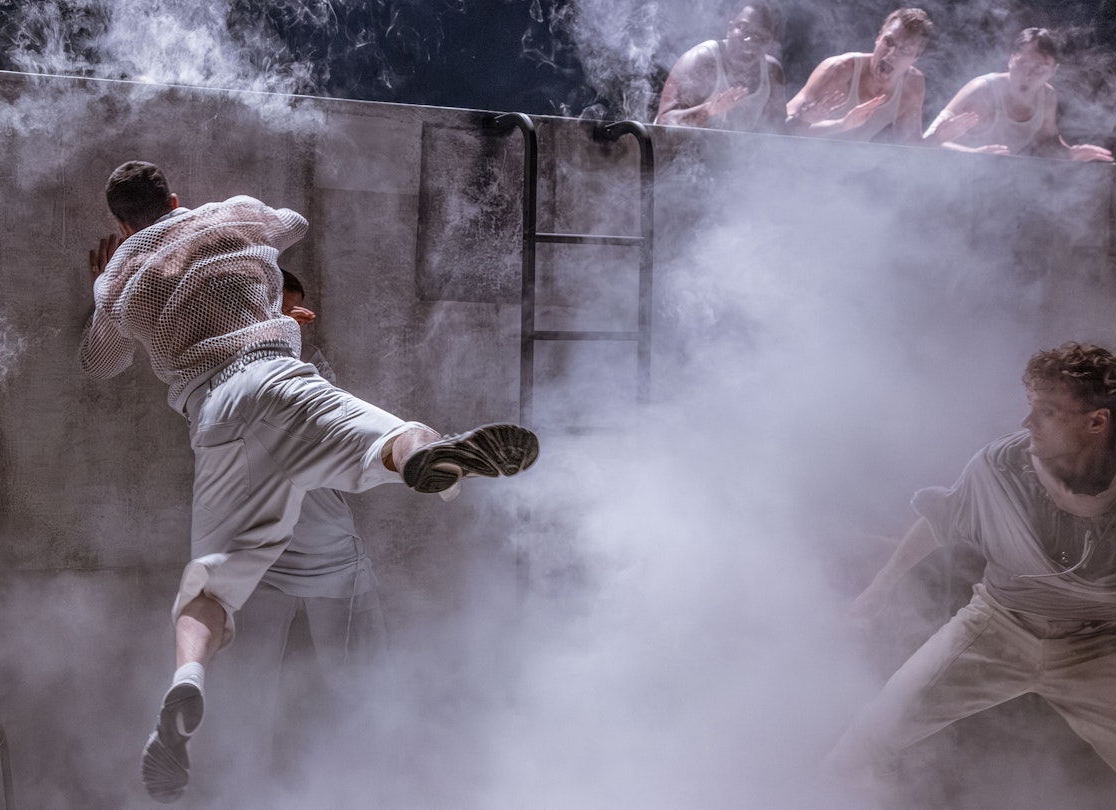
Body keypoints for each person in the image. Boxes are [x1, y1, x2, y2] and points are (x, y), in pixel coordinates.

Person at [80, 161, 540, 803]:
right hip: (276, 374)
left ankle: (187, 677)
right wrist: (211, 230)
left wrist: (115, 273)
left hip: (213, 415)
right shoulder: (227, 216)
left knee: (208, 586)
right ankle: (422, 456)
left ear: (121, 223)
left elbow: (98, 361)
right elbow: (290, 223)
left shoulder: (123, 279)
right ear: (176, 197)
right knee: (389, 437)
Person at [830, 343, 1116, 807]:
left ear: (1098, 421)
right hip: (993, 627)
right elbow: (941, 519)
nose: (1027, 424)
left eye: (1046, 411)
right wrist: (877, 589)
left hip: (1095, 643)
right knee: (860, 749)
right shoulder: (1003, 466)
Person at [188, 269, 392, 800]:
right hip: (263, 572)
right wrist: (113, 294)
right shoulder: (221, 377)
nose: (288, 323)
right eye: (275, 313)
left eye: (293, 314)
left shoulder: (310, 376)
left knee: (365, 695)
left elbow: (329, 419)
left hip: (335, 566)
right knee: (244, 708)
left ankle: (373, 793)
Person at [923, 28, 1114, 162]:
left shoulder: (1047, 96)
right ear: (1011, 59)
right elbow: (925, 142)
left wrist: (1071, 154)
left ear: (1053, 71)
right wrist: (973, 155)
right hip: (947, 178)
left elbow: (1048, 143)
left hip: (995, 184)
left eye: (1040, 68)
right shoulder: (982, 90)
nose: (1028, 75)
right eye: (1023, 64)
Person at [785, 8, 936, 144]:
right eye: (889, 42)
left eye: (905, 50)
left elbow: (910, 148)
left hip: (851, 168)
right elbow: (781, 127)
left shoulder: (912, 85)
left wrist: (939, 137)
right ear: (878, 38)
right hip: (803, 163)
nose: (892, 54)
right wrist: (839, 124)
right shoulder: (839, 69)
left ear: (916, 57)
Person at [653, 2, 786, 133]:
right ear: (729, 29)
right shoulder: (702, 61)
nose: (749, 40)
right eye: (743, 28)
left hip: (731, 153)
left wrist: (801, 121)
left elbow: (778, 131)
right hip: (682, 151)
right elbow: (663, 122)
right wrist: (708, 110)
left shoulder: (772, 71)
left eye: (760, 36)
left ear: (769, 42)